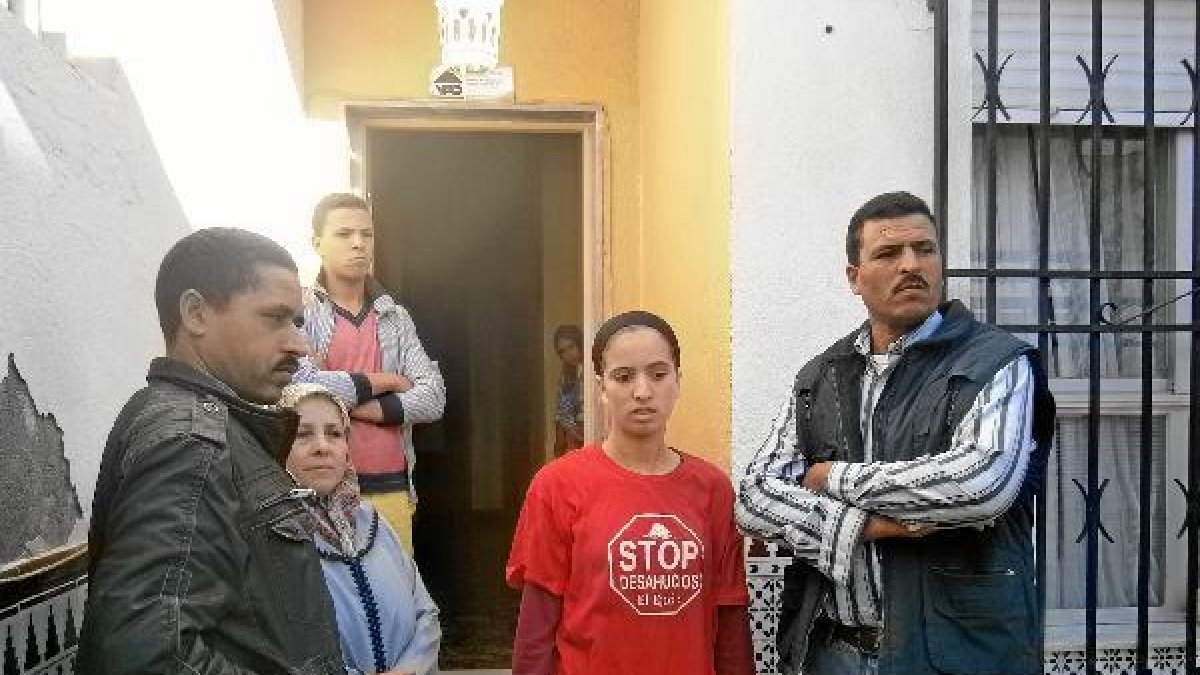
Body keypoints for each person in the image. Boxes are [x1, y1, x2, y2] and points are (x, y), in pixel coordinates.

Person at [735, 191, 1056, 675]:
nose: (911, 264)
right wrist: (869, 525)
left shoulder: (997, 362)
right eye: (888, 254)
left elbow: (980, 485)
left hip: (957, 655)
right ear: (854, 277)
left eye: (924, 249)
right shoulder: (821, 377)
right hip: (830, 653)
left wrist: (830, 478)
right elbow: (755, 496)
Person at [79, 228, 344, 673]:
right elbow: (145, 654)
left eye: (297, 322)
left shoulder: (206, 426)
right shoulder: (192, 441)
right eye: (274, 318)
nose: (299, 345)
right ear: (196, 313)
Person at [506, 310, 755, 675]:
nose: (642, 392)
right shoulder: (557, 486)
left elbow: (730, 618)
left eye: (658, 374)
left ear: (678, 380)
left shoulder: (713, 489)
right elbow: (536, 628)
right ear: (601, 387)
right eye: (623, 377)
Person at [293, 192, 446, 551]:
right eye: (344, 234)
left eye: (367, 234)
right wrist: (387, 381)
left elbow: (434, 396)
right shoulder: (302, 312)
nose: (359, 244)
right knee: (334, 602)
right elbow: (296, 384)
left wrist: (350, 403)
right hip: (322, 489)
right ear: (318, 243)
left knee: (393, 600)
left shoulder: (394, 316)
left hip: (391, 486)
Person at [280, 383, 441, 675]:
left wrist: (411, 669)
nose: (322, 446)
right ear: (276, 445)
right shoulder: (271, 536)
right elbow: (283, 650)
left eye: (335, 433)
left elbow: (425, 614)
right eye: (302, 434)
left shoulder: (372, 524)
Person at [551, 324, 584, 455]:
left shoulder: (595, 368)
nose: (568, 354)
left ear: (580, 343)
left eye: (571, 347)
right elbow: (562, 411)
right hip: (573, 438)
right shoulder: (566, 376)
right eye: (562, 351)